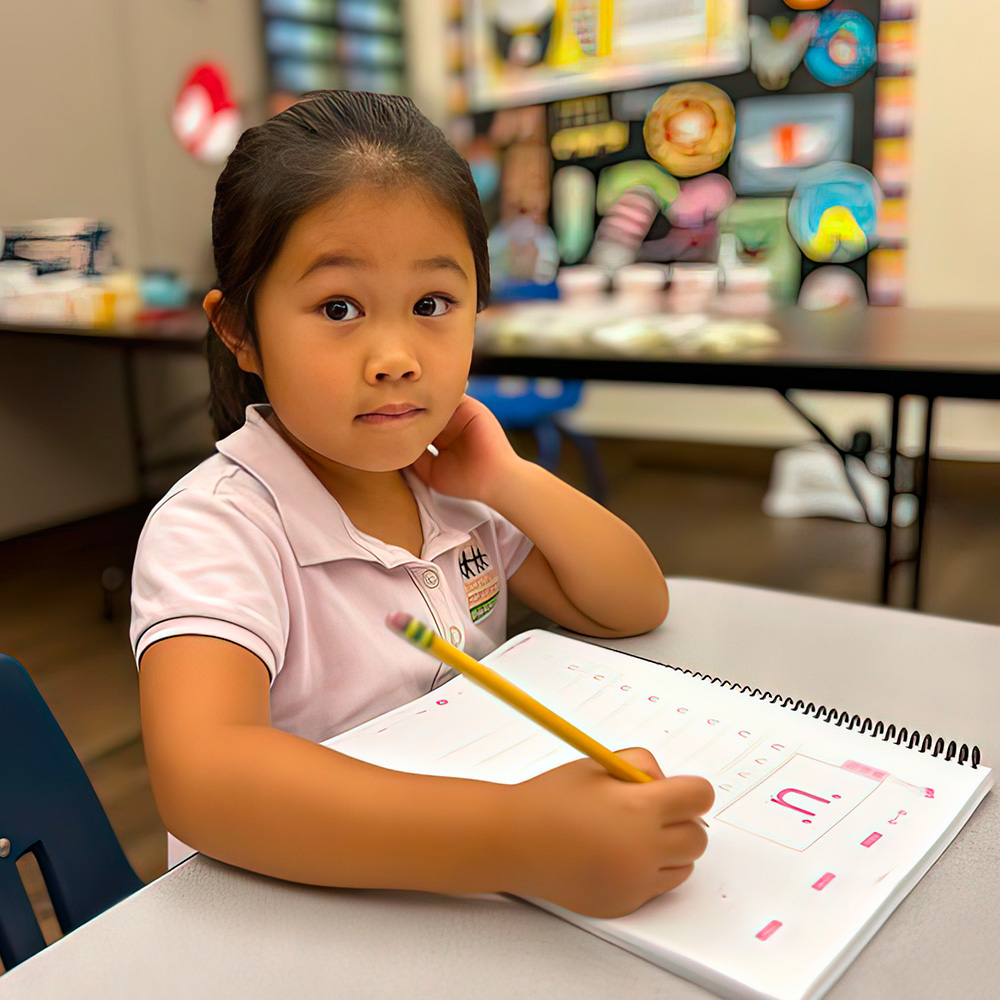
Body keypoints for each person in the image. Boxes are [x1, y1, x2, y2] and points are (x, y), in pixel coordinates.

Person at [132, 90, 712, 919]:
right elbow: (206, 778)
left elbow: (631, 602)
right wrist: (517, 838)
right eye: (339, 309)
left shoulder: (448, 489)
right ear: (241, 334)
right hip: (288, 916)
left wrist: (508, 479)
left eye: (434, 305)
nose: (397, 357)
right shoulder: (217, 527)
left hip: (447, 893)